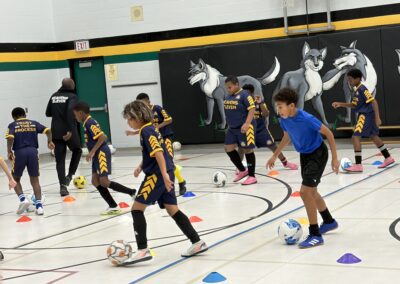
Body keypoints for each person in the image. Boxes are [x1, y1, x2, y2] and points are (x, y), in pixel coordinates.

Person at [121, 100, 207, 265]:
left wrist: (163, 176)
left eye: (129, 119)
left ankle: (142, 250)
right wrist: (141, 165)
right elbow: (153, 152)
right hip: (165, 172)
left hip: (156, 176)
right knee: (172, 209)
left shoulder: (146, 131)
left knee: (136, 209)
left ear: (137, 117)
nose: (128, 122)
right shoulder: (150, 129)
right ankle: (197, 242)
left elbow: (159, 153)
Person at [267, 88, 339, 248]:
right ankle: (329, 221)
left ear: (291, 105)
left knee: (305, 192)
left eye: (280, 106)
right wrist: (275, 155)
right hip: (305, 156)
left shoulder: (307, 118)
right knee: (312, 191)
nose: (278, 110)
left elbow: (329, 133)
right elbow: (287, 137)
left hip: (318, 154)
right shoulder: (283, 119)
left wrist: (335, 158)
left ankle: (315, 234)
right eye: (277, 107)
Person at [73, 102, 136, 215]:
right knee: (95, 181)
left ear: (81, 113)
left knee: (104, 181)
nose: (75, 117)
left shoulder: (90, 123)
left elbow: (103, 137)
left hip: (101, 153)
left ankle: (132, 192)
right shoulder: (86, 122)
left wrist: (91, 152)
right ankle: (113, 205)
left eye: (75, 114)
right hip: (96, 154)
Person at [332, 69, 395, 172]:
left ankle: (358, 165)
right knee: (374, 136)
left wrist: (377, 117)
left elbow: (374, 101)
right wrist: (341, 104)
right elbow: (354, 105)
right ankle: (388, 158)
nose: (349, 81)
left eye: (351, 79)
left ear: (357, 79)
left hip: (365, 115)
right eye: (348, 79)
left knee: (355, 137)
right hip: (367, 115)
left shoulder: (362, 89)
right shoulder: (357, 90)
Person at [126, 93, 187, 195]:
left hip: (165, 138)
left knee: (169, 162)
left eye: (142, 103)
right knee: (158, 163)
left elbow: (169, 119)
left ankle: (180, 183)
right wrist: (133, 133)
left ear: (148, 101)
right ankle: (159, 190)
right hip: (154, 140)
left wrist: (158, 127)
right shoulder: (143, 115)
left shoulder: (157, 108)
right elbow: (145, 128)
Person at [6, 107, 54, 215]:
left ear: (14, 117)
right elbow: (48, 130)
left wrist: (9, 151)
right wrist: (49, 141)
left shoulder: (12, 125)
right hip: (33, 152)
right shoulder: (34, 123)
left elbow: (10, 138)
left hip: (20, 152)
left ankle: (23, 200)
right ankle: (39, 206)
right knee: (35, 180)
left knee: (15, 178)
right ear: (24, 115)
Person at [240, 84, 298, 170]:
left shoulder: (258, 101)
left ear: (252, 93)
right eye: (244, 93)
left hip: (260, 129)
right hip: (248, 129)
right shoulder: (241, 103)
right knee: (242, 148)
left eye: (248, 93)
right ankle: (239, 167)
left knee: (273, 146)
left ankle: (285, 163)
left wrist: (260, 103)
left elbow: (266, 114)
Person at [46, 78, 82, 197]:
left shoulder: (54, 95)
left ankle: (63, 186)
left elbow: (48, 113)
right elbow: (70, 112)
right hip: (68, 131)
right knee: (77, 150)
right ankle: (70, 176)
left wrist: (57, 111)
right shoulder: (72, 96)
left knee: (60, 160)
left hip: (56, 132)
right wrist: (70, 130)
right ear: (72, 86)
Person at [224, 76, 257, 185]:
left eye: (230, 87)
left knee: (247, 150)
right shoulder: (229, 96)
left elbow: (252, 108)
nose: (228, 90)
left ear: (237, 85)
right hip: (232, 128)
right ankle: (242, 170)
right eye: (227, 88)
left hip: (245, 127)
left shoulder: (245, 95)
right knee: (228, 148)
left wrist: (247, 123)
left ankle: (252, 176)